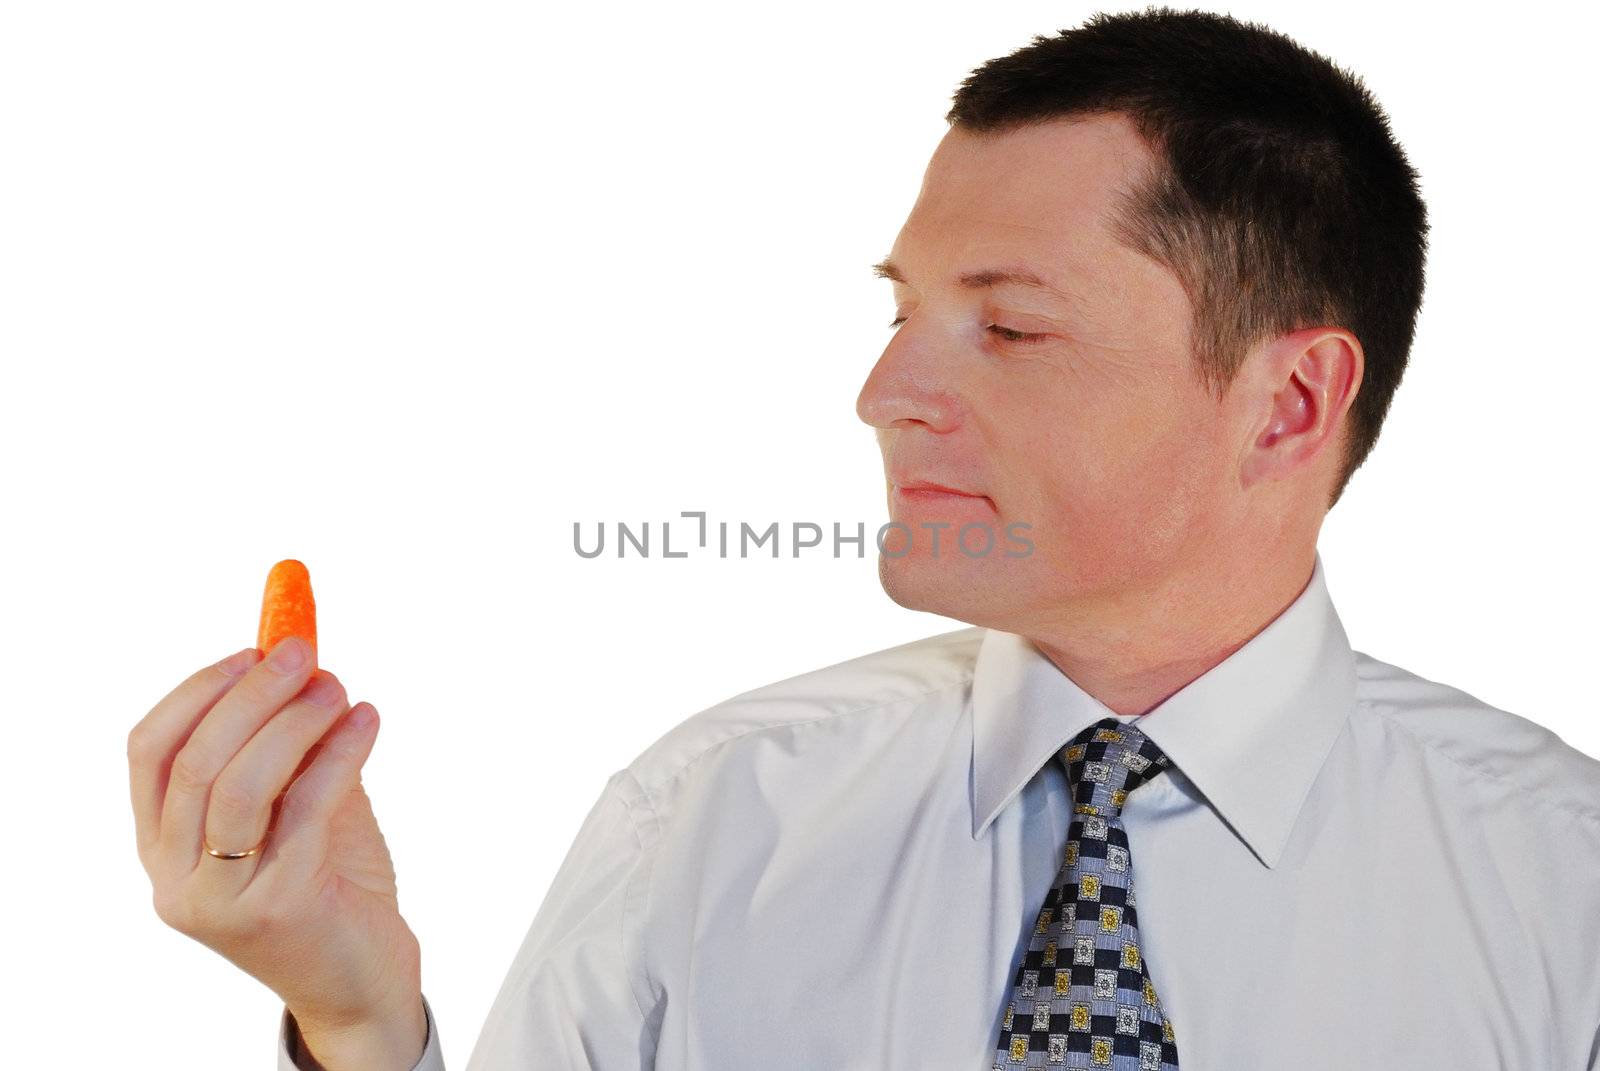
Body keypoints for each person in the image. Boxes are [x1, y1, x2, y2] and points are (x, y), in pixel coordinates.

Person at [128, 7, 1600, 1070]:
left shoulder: (1561, 885)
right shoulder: (709, 821)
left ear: (1287, 404)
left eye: (1007, 326)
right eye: (903, 314)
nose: (883, 396)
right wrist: (358, 1021)